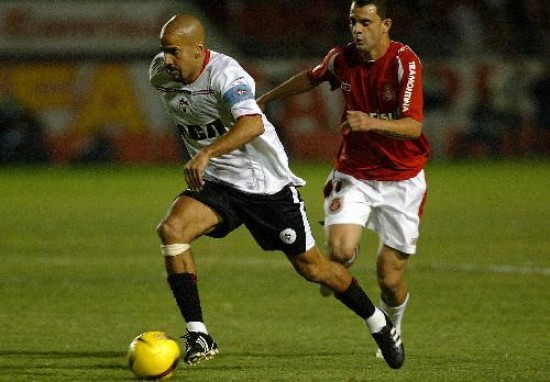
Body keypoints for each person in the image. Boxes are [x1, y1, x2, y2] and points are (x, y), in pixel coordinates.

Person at [149, 13, 405, 369]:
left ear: (199, 51)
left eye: (175, 52)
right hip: (219, 184)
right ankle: (199, 334)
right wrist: (208, 157)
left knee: (314, 270)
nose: (167, 60)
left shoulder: (226, 76)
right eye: (164, 51)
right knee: (172, 230)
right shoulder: (160, 74)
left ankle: (378, 322)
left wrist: (206, 152)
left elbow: (252, 124)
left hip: (264, 186)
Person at [257, 0, 429, 360]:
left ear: (386, 25)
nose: (356, 28)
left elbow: (413, 126)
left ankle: (392, 326)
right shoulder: (342, 58)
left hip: (403, 179)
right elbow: (312, 77)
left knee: (390, 278)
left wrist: (370, 122)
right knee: (338, 251)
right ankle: (339, 270)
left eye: (365, 21)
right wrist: (266, 99)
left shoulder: (404, 62)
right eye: (352, 21)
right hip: (355, 174)